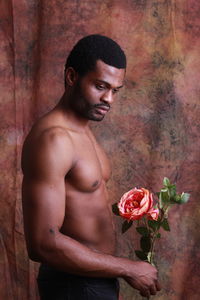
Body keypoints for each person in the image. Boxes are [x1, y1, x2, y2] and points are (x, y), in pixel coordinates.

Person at [21, 34, 161, 300]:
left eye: (115, 91)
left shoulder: (82, 129)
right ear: (72, 77)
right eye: (100, 86)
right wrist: (127, 268)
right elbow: (42, 243)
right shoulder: (54, 139)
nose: (109, 99)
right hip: (74, 285)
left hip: (94, 281)